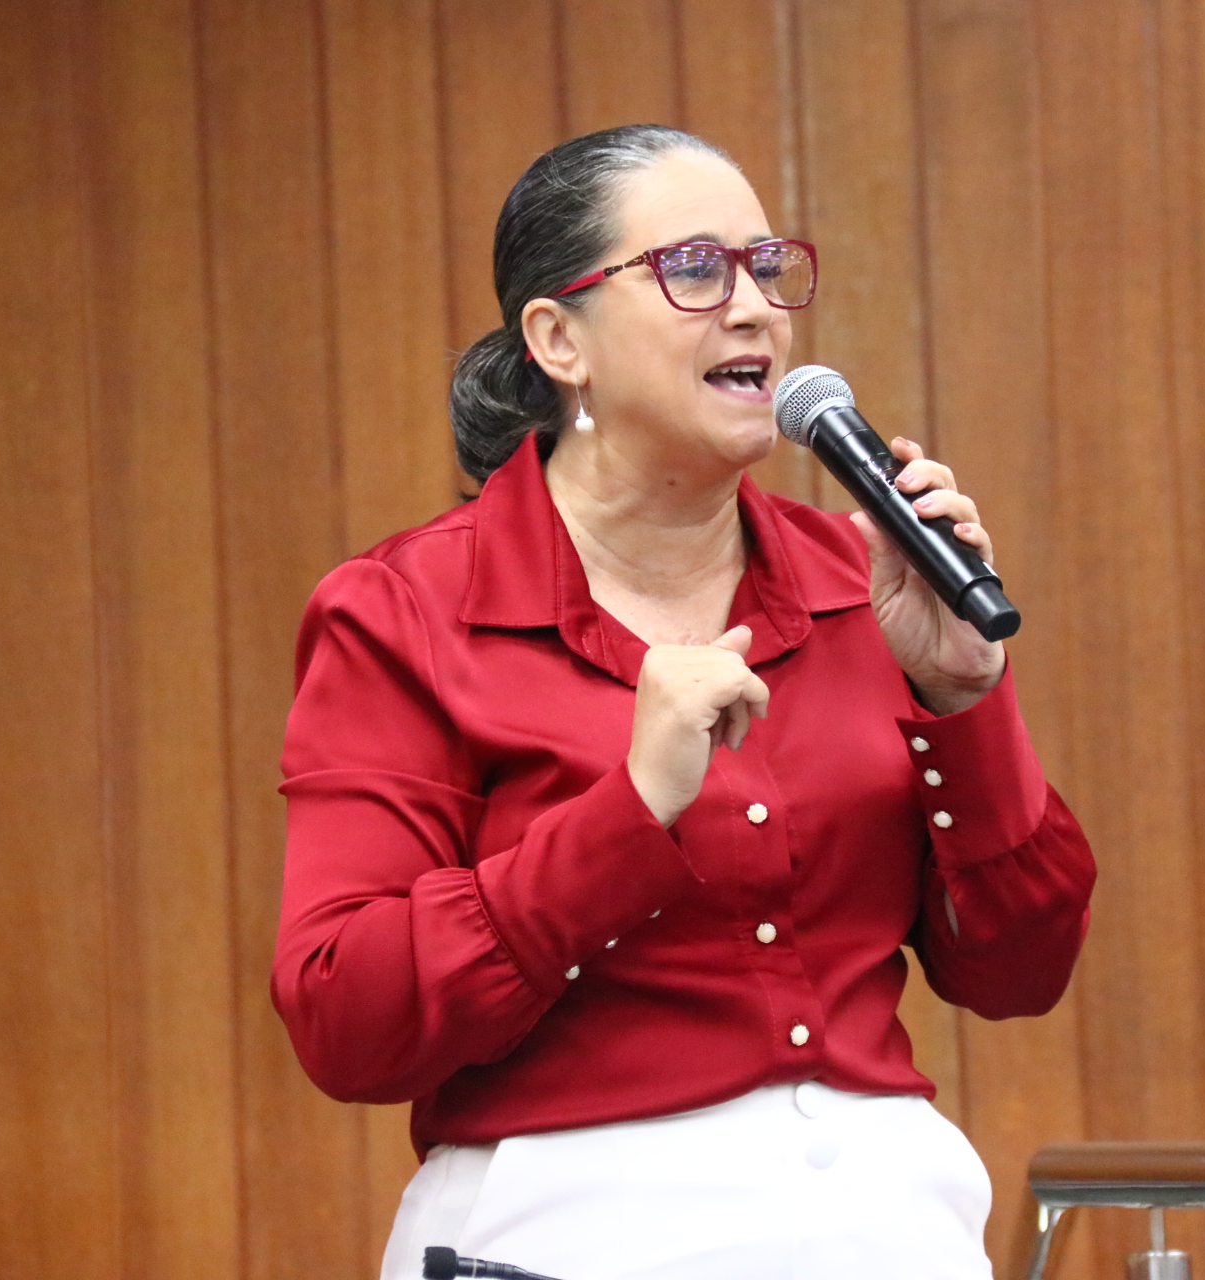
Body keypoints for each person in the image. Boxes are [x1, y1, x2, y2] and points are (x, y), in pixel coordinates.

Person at [272, 125, 1096, 1280]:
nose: (754, 307)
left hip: (888, 1235)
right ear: (559, 340)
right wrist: (630, 810)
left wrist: (964, 696)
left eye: (767, 266)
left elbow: (1020, 972)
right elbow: (346, 1018)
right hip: (562, 1239)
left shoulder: (862, 578)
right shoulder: (406, 610)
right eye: (695, 269)